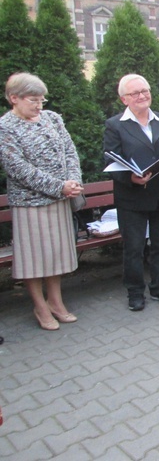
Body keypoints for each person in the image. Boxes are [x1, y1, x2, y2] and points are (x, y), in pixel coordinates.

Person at [0, 72, 83, 330]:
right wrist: (60, 187)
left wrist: (73, 182)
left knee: (56, 255)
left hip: (60, 199)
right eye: (33, 100)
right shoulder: (5, 127)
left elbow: (70, 151)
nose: (39, 106)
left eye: (41, 100)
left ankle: (56, 302)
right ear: (14, 98)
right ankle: (40, 306)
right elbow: (18, 169)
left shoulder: (53, 119)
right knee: (35, 259)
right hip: (30, 204)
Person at [103, 74, 159, 311]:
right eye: (135, 93)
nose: (141, 96)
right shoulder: (115, 125)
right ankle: (135, 292)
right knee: (134, 248)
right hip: (132, 197)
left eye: (145, 91)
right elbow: (110, 161)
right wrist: (129, 177)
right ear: (124, 100)